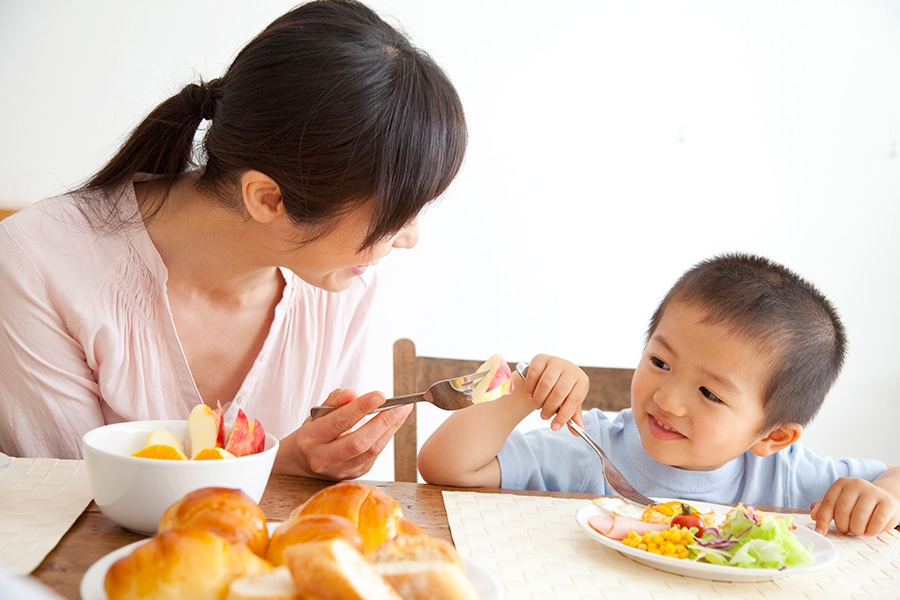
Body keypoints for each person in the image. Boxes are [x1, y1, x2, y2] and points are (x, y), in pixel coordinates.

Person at [0, 0, 467, 481]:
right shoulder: (37, 264)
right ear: (267, 199)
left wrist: (325, 464)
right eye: (394, 216)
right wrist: (279, 465)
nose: (409, 238)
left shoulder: (341, 280)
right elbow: (69, 505)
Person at [418, 253, 900, 536]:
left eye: (710, 393)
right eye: (660, 363)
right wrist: (522, 388)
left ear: (773, 436)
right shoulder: (592, 450)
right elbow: (445, 467)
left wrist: (876, 499)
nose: (667, 400)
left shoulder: (787, 478)